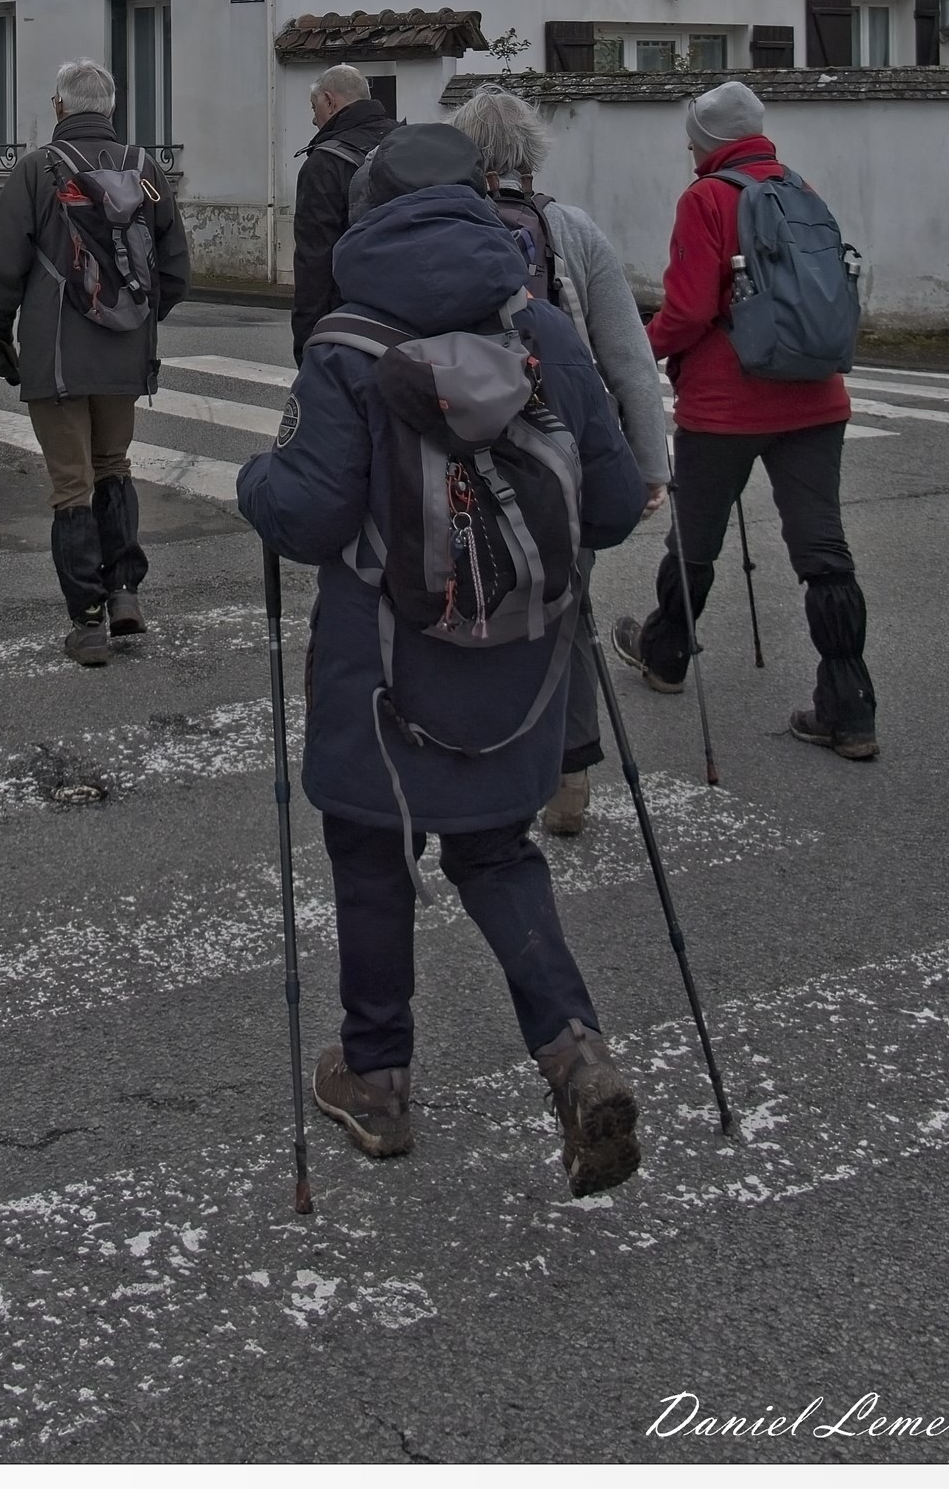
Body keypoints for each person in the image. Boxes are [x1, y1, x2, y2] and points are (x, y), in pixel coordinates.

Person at [237, 124, 649, 1192]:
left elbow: (305, 514)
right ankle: (574, 1052)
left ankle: (374, 1082)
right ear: (477, 201)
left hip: (380, 666)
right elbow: (605, 505)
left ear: (367, 214)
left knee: (372, 857)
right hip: (514, 668)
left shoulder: (342, 345)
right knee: (495, 852)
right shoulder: (538, 325)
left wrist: (253, 482)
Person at [610, 79, 876, 759]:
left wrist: (630, 348)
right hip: (815, 398)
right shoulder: (799, 189)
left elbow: (691, 310)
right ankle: (848, 708)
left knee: (694, 541)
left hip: (726, 403)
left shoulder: (705, 197)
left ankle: (666, 654)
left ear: (705, 141)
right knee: (823, 554)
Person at [451, 86, 671, 838]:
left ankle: (483, 771)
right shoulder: (570, 228)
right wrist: (648, 463)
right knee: (566, 613)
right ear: (532, 153)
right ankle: (568, 781)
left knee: (475, 606)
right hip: (564, 461)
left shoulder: (443, 229)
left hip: (469, 459)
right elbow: (627, 359)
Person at [0, 61, 191, 667]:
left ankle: (87, 622)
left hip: (58, 351)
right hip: (126, 350)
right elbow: (174, 263)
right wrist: (140, 320)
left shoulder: (37, 170)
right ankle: (125, 593)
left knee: (72, 483)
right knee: (114, 465)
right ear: (112, 108)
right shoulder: (145, 171)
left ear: (59, 107)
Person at [291, 66, 396, 362]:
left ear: (330, 101)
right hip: (407, 315)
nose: (314, 119)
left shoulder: (324, 163)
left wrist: (307, 343)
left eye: (315, 108)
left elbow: (315, 262)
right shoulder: (404, 143)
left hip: (349, 320)